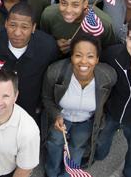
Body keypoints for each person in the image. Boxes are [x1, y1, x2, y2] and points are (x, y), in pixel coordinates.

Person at [0, 2, 58, 122]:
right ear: (6, 23)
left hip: (27, 113)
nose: (17, 32)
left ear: (33, 27)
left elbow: (52, 80)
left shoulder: (47, 46)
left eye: (24, 27)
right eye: (13, 25)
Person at [42, 34, 116, 177]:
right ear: (71, 56)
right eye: (78, 55)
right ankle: (51, 172)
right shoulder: (55, 72)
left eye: (90, 56)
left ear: (97, 59)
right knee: (55, 143)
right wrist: (56, 115)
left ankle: (68, 174)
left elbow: (107, 100)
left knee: (77, 147)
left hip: (86, 120)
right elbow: (46, 98)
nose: (83, 61)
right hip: (61, 117)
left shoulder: (108, 77)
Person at [97, 15, 131, 177]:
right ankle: (96, 157)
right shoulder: (113, 55)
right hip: (112, 112)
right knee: (101, 142)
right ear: (126, 38)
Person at [40, 0, 116, 55]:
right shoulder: (49, 15)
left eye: (75, 5)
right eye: (64, 3)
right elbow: (43, 41)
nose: (68, 10)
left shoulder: (104, 23)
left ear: (85, 3)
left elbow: (109, 51)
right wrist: (54, 45)